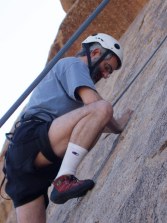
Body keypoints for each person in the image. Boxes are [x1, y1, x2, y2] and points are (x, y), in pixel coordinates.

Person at [3, 33, 133, 223]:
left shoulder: (69, 84)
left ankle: (61, 178)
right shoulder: (74, 64)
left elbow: (89, 124)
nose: (105, 75)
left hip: (23, 162)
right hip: (33, 138)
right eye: (106, 68)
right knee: (103, 107)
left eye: (109, 73)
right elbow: (96, 106)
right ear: (95, 52)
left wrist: (110, 123)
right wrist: (119, 125)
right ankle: (64, 179)